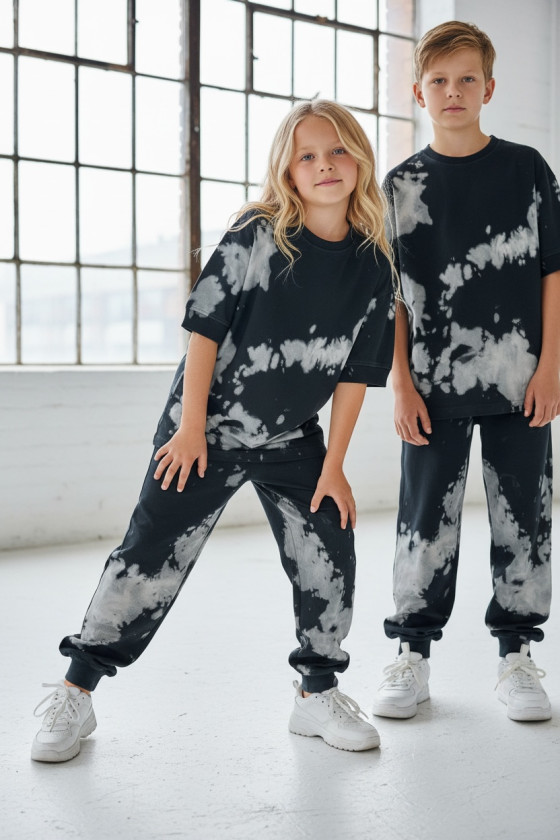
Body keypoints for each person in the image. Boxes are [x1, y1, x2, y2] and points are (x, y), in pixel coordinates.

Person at [32, 99, 395, 761]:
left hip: (293, 440)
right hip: (203, 430)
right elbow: (205, 330)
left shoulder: (374, 266)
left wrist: (335, 465)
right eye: (307, 155)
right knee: (148, 554)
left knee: (330, 548)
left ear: (361, 159)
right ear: (287, 171)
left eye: (338, 150)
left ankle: (316, 693)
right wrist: (191, 428)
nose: (324, 165)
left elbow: (355, 376)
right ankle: (76, 690)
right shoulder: (257, 234)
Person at [372, 21, 560, 722]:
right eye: (440, 81)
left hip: (521, 382)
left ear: (489, 87)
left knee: (525, 515)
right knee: (424, 520)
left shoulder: (527, 169)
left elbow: (553, 273)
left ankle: (517, 655)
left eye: (467, 79)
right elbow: (391, 296)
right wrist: (399, 380)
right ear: (419, 91)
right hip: (430, 385)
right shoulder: (400, 185)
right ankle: (412, 653)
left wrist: (551, 365)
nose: (454, 91)